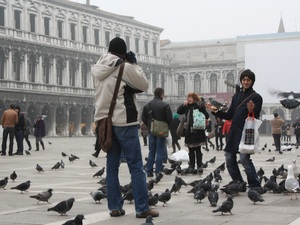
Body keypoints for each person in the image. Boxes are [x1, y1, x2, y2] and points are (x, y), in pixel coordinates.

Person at [91, 37, 159, 219]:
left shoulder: (98, 66)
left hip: (104, 123)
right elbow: (143, 84)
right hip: (124, 122)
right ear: (123, 52)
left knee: (111, 167)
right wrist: (134, 64)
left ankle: (114, 207)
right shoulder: (124, 67)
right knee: (136, 166)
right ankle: (142, 208)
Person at [207, 69, 263, 189]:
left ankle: (254, 184)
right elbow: (230, 115)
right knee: (229, 157)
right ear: (241, 81)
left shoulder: (256, 97)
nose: (246, 82)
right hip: (234, 130)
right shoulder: (237, 96)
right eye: (244, 79)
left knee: (244, 158)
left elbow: (256, 115)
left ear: (252, 81)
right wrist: (216, 112)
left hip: (246, 131)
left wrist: (251, 110)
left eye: (248, 79)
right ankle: (238, 182)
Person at [142, 87, 173, 177]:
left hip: (151, 130)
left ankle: (149, 171)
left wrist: (149, 125)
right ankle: (158, 171)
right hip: (161, 131)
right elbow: (170, 119)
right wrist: (166, 127)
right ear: (161, 94)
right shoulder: (165, 105)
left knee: (151, 151)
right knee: (160, 150)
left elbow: (143, 118)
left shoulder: (147, 105)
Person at [177, 93, 209, 169]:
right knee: (190, 150)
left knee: (198, 150)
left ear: (194, 98)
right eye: (188, 98)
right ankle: (191, 166)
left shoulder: (199, 106)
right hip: (189, 132)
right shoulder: (187, 107)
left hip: (198, 131)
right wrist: (183, 105)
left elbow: (206, 115)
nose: (188, 99)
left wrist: (200, 106)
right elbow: (179, 111)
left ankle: (199, 165)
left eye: (190, 98)